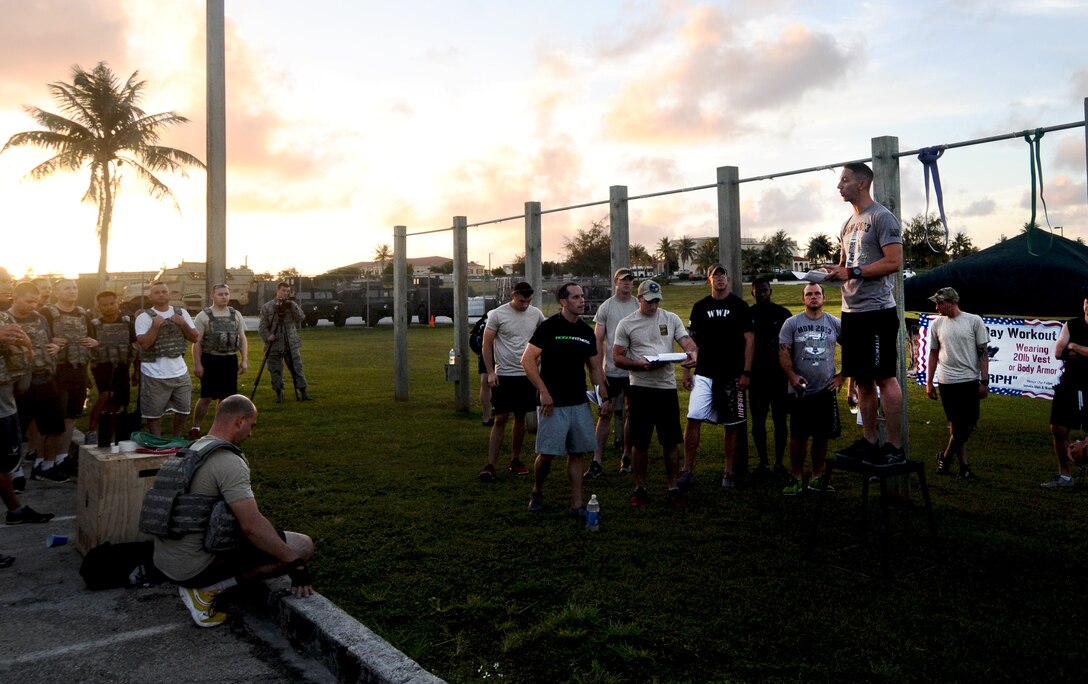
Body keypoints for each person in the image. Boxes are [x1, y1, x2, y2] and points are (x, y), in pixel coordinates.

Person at [152, 394, 314, 627]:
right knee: (302, 545)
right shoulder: (228, 460)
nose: (251, 433)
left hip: (165, 562)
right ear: (240, 421)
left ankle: (200, 582)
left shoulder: (189, 450)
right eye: (251, 425)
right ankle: (207, 591)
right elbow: (251, 526)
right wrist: (294, 562)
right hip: (192, 569)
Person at [822, 162, 905, 466]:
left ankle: (894, 448)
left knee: (885, 377)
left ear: (861, 183)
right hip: (851, 311)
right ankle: (870, 441)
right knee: (862, 380)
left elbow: (893, 262)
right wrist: (832, 272)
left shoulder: (882, 217)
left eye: (844, 180)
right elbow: (846, 264)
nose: (839, 186)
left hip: (877, 311)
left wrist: (852, 270)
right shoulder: (847, 224)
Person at [522, 283, 609, 515]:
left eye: (583, 296)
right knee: (547, 455)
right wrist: (543, 392)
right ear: (563, 301)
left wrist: (604, 394)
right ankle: (537, 491)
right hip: (553, 404)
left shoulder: (585, 331)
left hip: (579, 402)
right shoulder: (549, 327)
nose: (582, 301)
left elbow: (593, 367)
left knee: (577, 453)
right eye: (576, 297)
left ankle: (577, 504)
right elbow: (527, 360)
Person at [615, 280, 698, 507]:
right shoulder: (627, 323)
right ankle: (640, 488)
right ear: (639, 298)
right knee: (640, 442)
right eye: (649, 301)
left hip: (666, 388)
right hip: (640, 388)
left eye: (657, 301)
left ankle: (673, 486)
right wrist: (637, 364)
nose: (653, 305)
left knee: (670, 441)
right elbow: (617, 357)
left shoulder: (670, 318)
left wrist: (692, 353)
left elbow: (687, 342)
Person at [681, 264, 753, 490]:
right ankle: (687, 469)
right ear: (708, 280)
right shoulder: (700, 307)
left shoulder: (740, 306)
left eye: (723, 275)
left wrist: (746, 372)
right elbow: (691, 342)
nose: (720, 279)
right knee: (693, 419)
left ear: (728, 280)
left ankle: (729, 471)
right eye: (715, 275)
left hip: (732, 375)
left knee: (732, 424)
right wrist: (686, 370)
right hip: (704, 373)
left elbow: (750, 341)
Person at [1, 276, 55, 564]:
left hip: (5, 400)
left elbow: (21, 360)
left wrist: (31, 349)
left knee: (3, 464)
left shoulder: (5, 318)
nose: (6, 288)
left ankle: (15, 509)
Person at [778, 283, 844, 495]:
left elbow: (852, 347)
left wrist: (843, 376)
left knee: (821, 436)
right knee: (798, 436)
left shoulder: (834, 323)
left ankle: (817, 476)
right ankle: (796, 476)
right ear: (803, 298)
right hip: (800, 391)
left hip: (825, 389)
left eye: (817, 294)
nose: (813, 297)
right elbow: (783, 352)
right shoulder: (792, 323)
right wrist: (792, 376)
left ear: (824, 297)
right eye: (809, 294)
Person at [479, 281, 545, 482]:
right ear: (513, 296)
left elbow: (545, 334)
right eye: (521, 300)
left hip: (526, 374)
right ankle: (490, 464)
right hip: (504, 374)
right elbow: (486, 344)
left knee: (520, 417)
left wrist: (539, 357)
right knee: (500, 418)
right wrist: (491, 372)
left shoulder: (535, 313)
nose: (525, 304)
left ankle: (515, 460)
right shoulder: (498, 314)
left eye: (528, 301)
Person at [925, 287, 989, 479]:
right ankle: (964, 468)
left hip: (969, 380)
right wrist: (929, 382)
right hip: (947, 381)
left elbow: (983, 354)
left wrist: (984, 381)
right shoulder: (936, 324)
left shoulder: (974, 321)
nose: (937, 307)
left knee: (968, 425)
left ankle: (944, 457)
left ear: (952, 302)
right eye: (936, 303)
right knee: (956, 426)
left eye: (940, 303)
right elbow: (933, 354)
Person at [8, 282, 68, 482]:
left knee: (54, 426)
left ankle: (46, 467)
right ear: (15, 298)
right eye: (28, 301)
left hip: (44, 378)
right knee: (15, 431)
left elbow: (49, 341)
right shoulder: (4, 320)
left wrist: (55, 348)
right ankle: (14, 473)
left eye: (35, 301)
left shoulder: (40, 318)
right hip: (17, 384)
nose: (33, 305)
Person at [41, 278, 97, 474]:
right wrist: (50, 342)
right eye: (67, 288)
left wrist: (93, 342)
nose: (72, 291)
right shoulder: (46, 314)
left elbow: (93, 338)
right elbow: (36, 340)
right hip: (55, 373)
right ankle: (45, 464)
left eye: (74, 288)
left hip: (79, 372)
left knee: (71, 416)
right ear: (57, 292)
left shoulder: (83, 314)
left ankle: (62, 458)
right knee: (54, 420)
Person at [587, 267, 638, 478]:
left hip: (635, 371)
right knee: (605, 412)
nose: (627, 283)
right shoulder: (607, 307)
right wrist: (599, 368)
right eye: (623, 280)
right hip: (613, 371)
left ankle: (626, 457)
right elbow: (598, 339)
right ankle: (597, 460)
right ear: (615, 282)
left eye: (630, 280)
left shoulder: (638, 304)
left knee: (632, 413)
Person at [135, 281, 199, 437]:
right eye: (157, 292)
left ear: (170, 295)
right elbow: (144, 344)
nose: (161, 295)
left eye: (164, 291)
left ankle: (176, 439)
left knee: (183, 409)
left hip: (179, 372)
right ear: (150, 297)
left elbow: (195, 338)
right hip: (154, 374)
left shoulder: (181, 313)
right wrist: (155, 326)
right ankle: (157, 441)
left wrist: (183, 324)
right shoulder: (144, 317)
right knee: (154, 413)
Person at [1042, 289, 1088, 488]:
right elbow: (1058, 351)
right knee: (1058, 428)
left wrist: (1073, 346)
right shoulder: (1071, 324)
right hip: (1069, 382)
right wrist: (1075, 349)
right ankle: (1065, 476)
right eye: (1087, 301)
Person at [190, 284, 249, 438]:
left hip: (229, 359)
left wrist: (244, 360)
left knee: (226, 398)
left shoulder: (236, 315)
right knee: (206, 396)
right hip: (210, 359)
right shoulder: (203, 316)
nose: (224, 297)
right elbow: (197, 342)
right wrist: (198, 364)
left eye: (226, 294)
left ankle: (220, 427)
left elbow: (242, 338)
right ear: (212, 296)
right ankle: (196, 427)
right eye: (220, 294)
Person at [749, 277, 792, 478]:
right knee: (758, 422)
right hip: (757, 377)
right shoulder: (748, 315)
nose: (762, 293)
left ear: (771, 291)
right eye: (758, 290)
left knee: (780, 421)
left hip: (779, 377)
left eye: (765, 290)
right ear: (753, 293)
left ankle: (779, 462)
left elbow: (792, 345)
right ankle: (763, 462)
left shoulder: (783, 314)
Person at [86, 290, 138, 445]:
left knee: (118, 402)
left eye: (112, 303)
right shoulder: (94, 326)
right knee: (106, 395)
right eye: (104, 305)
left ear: (118, 303)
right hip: (101, 366)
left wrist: (136, 370)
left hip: (122, 365)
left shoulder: (128, 323)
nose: (109, 307)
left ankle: (112, 433)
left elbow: (135, 347)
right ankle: (92, 431)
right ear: (98, 306)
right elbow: (86, 349)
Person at [258, 282, 311, 403]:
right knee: (275, 370)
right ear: (277, 290)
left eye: (288, 291)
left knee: (297, 368)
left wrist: (292, 306)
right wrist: (268, 336)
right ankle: (279, 393)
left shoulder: (291, 305)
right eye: (283, 291)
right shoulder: (267, 307)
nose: (285, 293)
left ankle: (304, 392)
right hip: (274, 343)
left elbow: (301, 318)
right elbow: (262, 327)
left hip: (290, 342)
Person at [469, 311, 493, 427]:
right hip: (490, 349)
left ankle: (487, 417)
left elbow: (473, 338)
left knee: (486, 383)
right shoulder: (496, 315)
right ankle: (488, 416)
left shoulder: (489, 314)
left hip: (484, 348)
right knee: (488, 382)